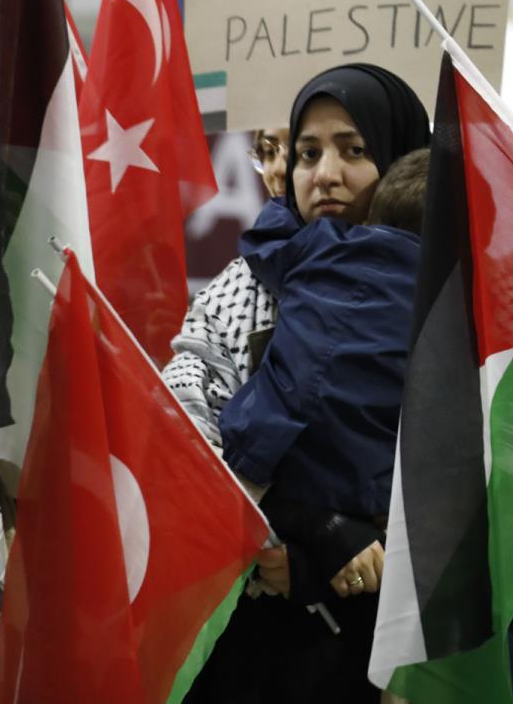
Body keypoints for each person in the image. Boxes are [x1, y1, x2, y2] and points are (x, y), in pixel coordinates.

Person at [171, 64, 430, 703]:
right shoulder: (242, 283)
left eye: (355, 150)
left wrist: (357, 550)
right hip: (240, 643)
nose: (325, 175)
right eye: (308, 153)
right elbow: (182, 445)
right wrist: (310, 527)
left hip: (390, 649)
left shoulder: (450, 302)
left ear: (402, 157)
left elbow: (477, 482)